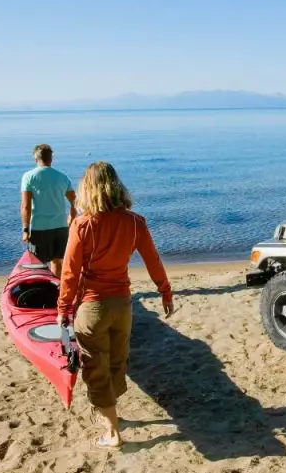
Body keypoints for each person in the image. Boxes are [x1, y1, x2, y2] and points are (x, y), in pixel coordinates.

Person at [56, 161, 174, 449]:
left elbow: (69, 273)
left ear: (88, 189)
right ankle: (113, 414)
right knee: (117, 362)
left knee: (96, 367)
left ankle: (112, 432)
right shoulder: (135, 222)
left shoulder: (83, 225)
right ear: (116, 186)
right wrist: (165, 291)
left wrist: (62, 309)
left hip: (93, 307)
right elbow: (152, 260)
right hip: (123, 305)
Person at [20, 144, 77, 277]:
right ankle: (56, 290)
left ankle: (42, 290)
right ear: (51, 159)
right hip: (61, 227)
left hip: (39, 228)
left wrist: (25, 230)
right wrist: (72, 218)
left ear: (36, 159)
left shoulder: (28, 177)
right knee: (57, 261)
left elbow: (25, 206)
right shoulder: (63, 177)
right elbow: (75, 202)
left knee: (38, 264)